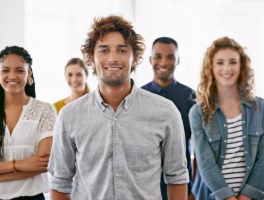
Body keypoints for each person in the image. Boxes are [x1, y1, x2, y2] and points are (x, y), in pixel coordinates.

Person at [48, 15, 189, 200]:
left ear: (136, 58)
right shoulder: (68, 116)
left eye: (122, 51)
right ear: (91, 58)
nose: (113, 58)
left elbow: (177, 177)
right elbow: (60, 182)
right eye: (104, 50)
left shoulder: (166, 112)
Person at [0, 46, 56, 199]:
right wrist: (20, 164)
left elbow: (43, 164)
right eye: (5, 70)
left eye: (20, 70)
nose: (12, 76)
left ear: (29, 74)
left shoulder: (45, 111)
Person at [189, 37, 264, 200]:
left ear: (241, 65)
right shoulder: (198, 113)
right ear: (210, 67)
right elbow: (205, 163)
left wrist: (246, 196)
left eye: (232, 62)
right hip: (211, 196)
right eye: (219, 62)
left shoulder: (261, 108)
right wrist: (228, 198)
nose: (226, 68)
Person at [142, 37, 195, 199]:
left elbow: (200, 147)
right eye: (158, 56)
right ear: (150, 60)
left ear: (178, 60)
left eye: (170, 57)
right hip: (144, 187)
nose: (163, 62)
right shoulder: (137, 97)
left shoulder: (191, 97)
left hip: (183, 188)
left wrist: (194, 189)